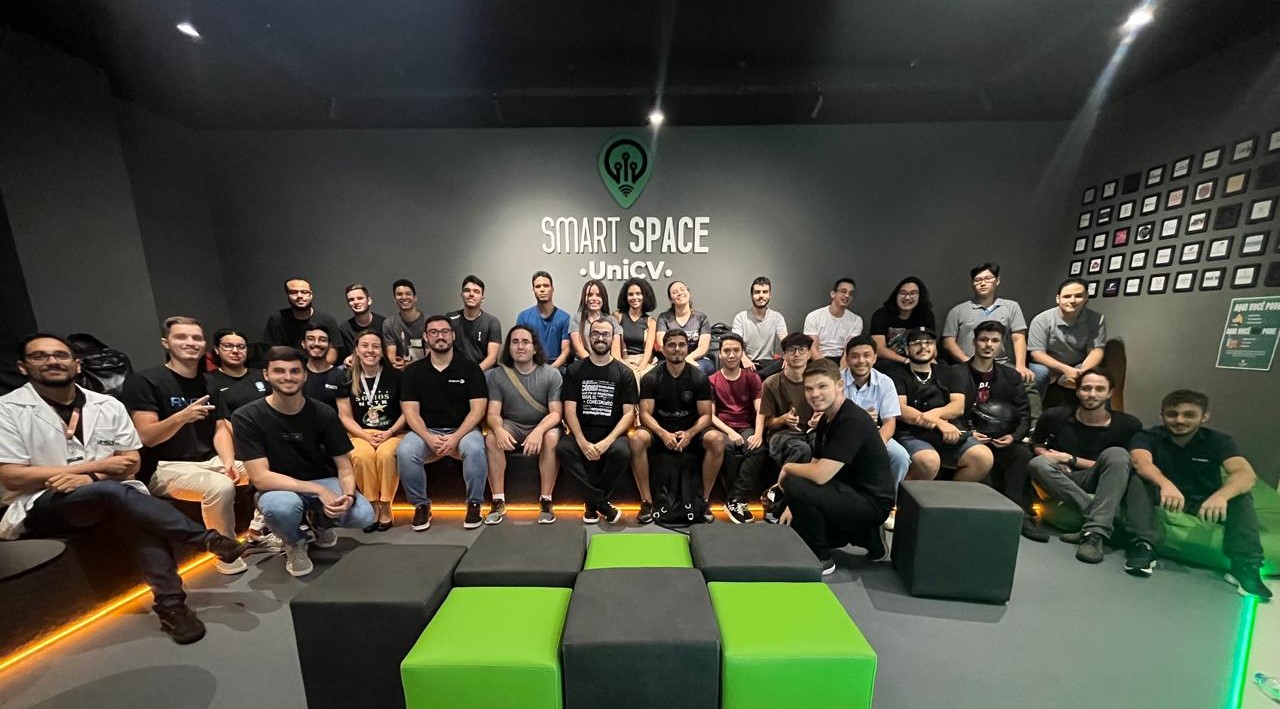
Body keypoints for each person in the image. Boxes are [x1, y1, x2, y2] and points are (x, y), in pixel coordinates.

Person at [0, 334, 248, 643]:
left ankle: (172, 606)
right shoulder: (8, 410)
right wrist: (95, 469)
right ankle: (205, 539)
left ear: (77, 365)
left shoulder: (107, 405)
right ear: (23, 367)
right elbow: (12, 477)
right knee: (114, 493)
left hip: (110, 493)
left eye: (61, 355)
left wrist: (91, 478)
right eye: (40, 356)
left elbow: (130, 463)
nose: (52, 361)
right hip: (44, 503)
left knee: (134, 510)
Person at [121, 316, 250, 575]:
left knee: (265, 469)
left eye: (196, 338)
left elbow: (219, 427)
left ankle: (259, 530)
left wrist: (228, 460)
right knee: (220, 486)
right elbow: (147, 436)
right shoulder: (145, 381)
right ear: (165, 342)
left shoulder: (209, 382)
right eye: (181, 337)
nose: (190, 343)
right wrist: (182, 417)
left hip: (210, 460)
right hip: (166, 468)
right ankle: (226, 553)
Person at [232, 346, 374, 578]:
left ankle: (320, 522)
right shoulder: (247, 416)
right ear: (266, 374)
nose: (288, 377)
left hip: (321, 479)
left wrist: (348, 496)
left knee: (362, 515)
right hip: (277, 488)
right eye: (279, 371)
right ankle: (294, 541)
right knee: (281, 509)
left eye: (295, 371)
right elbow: (261, 477)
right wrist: (317, 490)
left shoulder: (324, 413)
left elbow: (345, 466)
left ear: (305, 375)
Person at [1128, 390, 1272, 599]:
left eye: (1189, 415)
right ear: (1161, 416)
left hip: (1204, 503)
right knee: (1137, 479)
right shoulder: (1147, 436)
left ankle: (1246, 567)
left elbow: (1245, 474)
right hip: (1164, 498)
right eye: (1172, 414)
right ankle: (1144, 546)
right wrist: (1165, 484)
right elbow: (1140, 462)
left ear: (1204, 417)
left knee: (1241, 495)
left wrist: (1221, 496)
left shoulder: (1219, 441)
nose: (1179, 420)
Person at [775, 359, 895, 575]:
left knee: (794, 482)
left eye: (822, 386)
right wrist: (793, 503)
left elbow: (820, 475)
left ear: (839, 385)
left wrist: (788, 468)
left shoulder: (852, 420)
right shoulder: (827, 419)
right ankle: (867, 536)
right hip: (847, 491)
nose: (814, 394)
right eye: (809, 389)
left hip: (871, 502)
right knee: (790, 512)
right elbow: (815, 463)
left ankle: (822, 558)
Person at [1028, 369, 1146, 564]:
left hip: (1105, 479)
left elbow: (1126, 464)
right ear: (1077, 391)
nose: (1092, 394)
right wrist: (1050, 457)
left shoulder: (1128, 424)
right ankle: (1101, 521)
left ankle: (1094, 534)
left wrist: (1070, 458)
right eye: (1086, 388)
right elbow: (1037, 444)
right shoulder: (1055, 415)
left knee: (1117, 453)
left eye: (1099, 389)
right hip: (1065, 478)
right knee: (1037, 463)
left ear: (1109, 393)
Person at [953, 321, 1046, 541]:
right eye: (984, 340)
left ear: (1001, 345)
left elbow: (1023, 413)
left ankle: (1018, 514)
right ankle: (990, 516)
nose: (989, 345)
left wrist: (1013, 437)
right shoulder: (956, 373)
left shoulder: (1011, 376)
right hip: (969, 438)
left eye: (995, 341)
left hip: (1002, 438)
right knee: (981, 459)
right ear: (974, 342)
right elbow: (949, 410)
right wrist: (968, 434)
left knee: (1021, 454)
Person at [396, 315, 489, 531]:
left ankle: (474, 504)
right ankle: (421, 506)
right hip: (426, 431)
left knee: (475, 448)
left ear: (453, 335)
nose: (440, 336)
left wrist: (455, 437)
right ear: (426, 337)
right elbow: (410, 412)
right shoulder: (413, 371)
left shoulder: (471, 369)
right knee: (405, 451)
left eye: (445, 331)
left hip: (463, 431)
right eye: (434, 332)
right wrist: (428, 437)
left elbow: (478, 410)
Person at [632, 329, 726, 523]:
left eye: (681, 345)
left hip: (690, 432)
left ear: (687, 348)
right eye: (671, 345)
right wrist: (663, 433)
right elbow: (645, 414)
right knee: (637, 439)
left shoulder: (699, 377)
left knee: (716, 439)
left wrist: (690, 433)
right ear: (663, 349)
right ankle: (646, 502)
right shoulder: (651, 377)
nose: (677, 349)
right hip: (659, 432)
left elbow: (706, 416)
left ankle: (703, 501)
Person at [482, 326, 563, 525]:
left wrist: (538, 431)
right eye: (515, 342)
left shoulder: (552, 374)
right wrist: (498, 429)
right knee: (491, 438)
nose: (520, 346)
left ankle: (546, 500)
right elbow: (492, 413)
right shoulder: (496, 375)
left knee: (552, 437)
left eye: (525, 342)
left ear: (535, 348)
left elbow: (556, 413)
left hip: (543, 424)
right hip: (512, 424)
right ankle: (498, 500)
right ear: (508, 348)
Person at [556, 319, 634, 525]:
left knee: (622, 451)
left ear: (612, 338)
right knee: (564, 448)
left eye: (605, 334)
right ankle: (601, 503)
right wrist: (582, 441)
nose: (600, 338)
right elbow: (569, 410)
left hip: (612, 433)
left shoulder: (624, 373)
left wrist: (608, 441)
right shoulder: (575, 370)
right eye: (596, 334)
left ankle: (592, 503)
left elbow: (628, 414)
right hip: (582, 431)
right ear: (588, 338)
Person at [890, 328, 993, 482]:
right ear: (906, 349)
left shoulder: (948, 372)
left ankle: (951, 495)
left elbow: (957, 406)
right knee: (929, 461)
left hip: (946, 431)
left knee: (982, 457)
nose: (923, 347)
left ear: (935, 348)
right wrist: (939, 423)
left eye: (928, 343)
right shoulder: (896, 373)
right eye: (916, 343)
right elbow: (901, 409)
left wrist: (934, 416)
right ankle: (903, 495)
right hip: (911, 432)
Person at [335, 330, 404, 533]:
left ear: (382, 351)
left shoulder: (396, 376)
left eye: (375, 346)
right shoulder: (346, 377)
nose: (370, 350)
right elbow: (344, 416)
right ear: (356, 350)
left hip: (393, 432)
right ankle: (372, 506)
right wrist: (365, 435)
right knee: (361, 456)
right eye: (365, 346)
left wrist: (390, 432)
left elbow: (407, 412)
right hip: (359, 433)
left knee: (385, 455)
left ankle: (386, 505)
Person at [840, 336, 910, 529]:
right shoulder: (836, 381)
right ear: (847, 358)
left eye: (866, 355)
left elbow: (889, 422)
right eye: (855, 356)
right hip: (842, 435)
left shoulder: (886, 382)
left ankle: (887, 506)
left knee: (900, 457)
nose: (861, 361)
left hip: (874, 436)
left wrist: (875, 446)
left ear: (875, 358)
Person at [760, 333, 819, 515]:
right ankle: (780, 502)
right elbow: (769, 422)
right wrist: (784, 419)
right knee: (802, 450)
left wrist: (820, 418)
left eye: (802, 350)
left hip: (812, 431)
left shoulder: (818, 381)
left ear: (809, 354)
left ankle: (814, 502)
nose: (797, 354)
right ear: (784, 355)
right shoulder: (772, 383)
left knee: (825, 446)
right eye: (791, 350)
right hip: (782, 434)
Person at [708, 334, 765, 524]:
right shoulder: (712, 380)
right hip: (723, 427)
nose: (731, 355)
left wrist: (758, 434)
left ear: (742, 353)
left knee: (757, 447)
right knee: (727, 447)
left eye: (736, 350)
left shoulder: (752, 378)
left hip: (746, 426)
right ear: (720, 354)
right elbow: (711, 415)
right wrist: (729, 432)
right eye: (726, 351)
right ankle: (735, 501)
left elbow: (760, 410)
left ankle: (735, 499)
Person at [940, 263, 1032, 377]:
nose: (982, 283)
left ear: (997, 281)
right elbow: (948, 342)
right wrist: (968, 362)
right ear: (972, 283)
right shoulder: (958, 311)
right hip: (966, 363)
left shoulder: (1012, 307)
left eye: (988, 278)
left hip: (1001, 364)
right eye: (977, 280)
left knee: (1025, 380)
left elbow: (1018, 338)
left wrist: (1021, 365)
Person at [1028, 278, 1107, 408]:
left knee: (1097, 377)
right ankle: (1033, 415)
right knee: (1039, 373)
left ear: (1086, 297)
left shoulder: (1097, 319)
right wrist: (1065, 369)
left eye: (1078, 296)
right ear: (1058, 299)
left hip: (1078, 365)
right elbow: (1037, 354)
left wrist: (1081, 372)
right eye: (1067, 296)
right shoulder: (1041, 319)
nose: (1072, 300)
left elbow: (1096, 351)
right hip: (1046, 364)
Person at [262, 278, 339, 364]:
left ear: (311, 295)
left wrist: (315, 370)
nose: (299, 296)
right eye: (294, 292)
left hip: (318, 368)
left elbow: (332, 354)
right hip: (288, 367)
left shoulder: (327, 321)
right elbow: (272, 352)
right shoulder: (277, 319)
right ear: (287, 295)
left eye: (304, 292)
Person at [868, 277, 936, 370]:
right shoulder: (881, 315)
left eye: (913, 293)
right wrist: (906, 361)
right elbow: (879, 350)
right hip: (889, 361)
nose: (907, 297)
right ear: (896, 295)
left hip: (919, 359)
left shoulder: (926, 315)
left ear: (920, 296)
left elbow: (932, 346)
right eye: (903, 293)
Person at [654, 280, 715, 376]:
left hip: (696, 359)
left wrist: (688, 359)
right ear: (671, 299)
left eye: (682, 289)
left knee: (697, 370)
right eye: (675, 292)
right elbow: (662, 344)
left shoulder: (701, 318)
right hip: (670, 359)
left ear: (688, 293)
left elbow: (703, 346)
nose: (679, 293)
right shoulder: (664, 318)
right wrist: (678, 361)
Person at [731, 276, 787, 378]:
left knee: (784, 363)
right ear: (751, 295)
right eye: (757, 292)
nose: (761, 296)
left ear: (770, 295)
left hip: (769, 364)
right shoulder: (741, 317)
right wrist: (743, 358)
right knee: (736, 364)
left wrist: (788, 356)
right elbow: (735, 343)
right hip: (748, 363)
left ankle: (757, 377)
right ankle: (758, 377)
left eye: (765, 292)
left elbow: (786, 341)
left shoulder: (777, 317)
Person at [515, 271, 572, 371]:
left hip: (556, 369)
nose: (542, 290)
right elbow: (521, 348)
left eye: (546, 286)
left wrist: (549, 371)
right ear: (533, 290)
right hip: (530, 368)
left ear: (552, 289)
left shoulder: (565, 318)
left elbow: (565, 351)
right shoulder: (523, 317)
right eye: (538, 286)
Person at [447, 275, 502, 370]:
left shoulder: (492, 322)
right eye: (467, 290)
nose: (471, 294)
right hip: (456, 371)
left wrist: (474, 374)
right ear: (461, 295)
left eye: (476, 291)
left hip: (483, 372)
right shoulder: (450, 319)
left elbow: (492, 358)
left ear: (482, 298)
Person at [803, 277, 863, 363]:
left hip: (843, 359)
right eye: (843, 291)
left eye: (850, 293)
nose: (847, 295)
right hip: (819, 359)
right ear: (833, 294)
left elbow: (849, 350)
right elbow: (813, 349)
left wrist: (842, 369)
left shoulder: (856, 320)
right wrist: (826, 367)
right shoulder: (814, 316)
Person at [614, 277, 657, 381]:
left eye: (638, 293)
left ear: (645, 296)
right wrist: (626, 365)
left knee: (645, 378)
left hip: (643, 363)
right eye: (630, 294)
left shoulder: (651, 322)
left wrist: (640, 369)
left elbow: (648, 351)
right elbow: (615, 352)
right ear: (625, 297)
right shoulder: (617, 316)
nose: (634, 297)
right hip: (622, 362)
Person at [569, 279, 623, 362]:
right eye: (589, 295)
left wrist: (605, 365)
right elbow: (579, 350)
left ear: (603, 298)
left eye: (598, 295)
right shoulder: (576, 318)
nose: (594, 298)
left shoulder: (612, 320)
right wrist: (595, 365)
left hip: (607, 365)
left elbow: (616, 354)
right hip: (583, 364)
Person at [383, 278, 427, 369]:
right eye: (399, 294)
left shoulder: (428, 322)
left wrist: (408, 365)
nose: (404, 297)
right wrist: (396, 363)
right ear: (394, 299)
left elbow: (430, 356)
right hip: (401, 372)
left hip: (424, 370)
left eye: (408, 294)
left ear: (415, 298)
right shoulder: (389, 324)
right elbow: (391, 357)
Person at [300, 324, 347, 410]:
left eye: (322, 340)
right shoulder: (297, 375)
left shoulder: (340, 376)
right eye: (311, 339)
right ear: (303, 344)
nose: (316, 343)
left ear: (329, 345)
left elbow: (344, 414)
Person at [336, 283, 386, 362]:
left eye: (360, 298)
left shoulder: (385, 324)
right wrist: (346, 360)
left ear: (369, 301)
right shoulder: (344, 329)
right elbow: (344, 357)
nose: (356, 302)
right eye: (351, 300)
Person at [205, 328, 251, 409]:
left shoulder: (262, 375)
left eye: (241, 347)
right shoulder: (208, 380)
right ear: (216, 349)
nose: (235, 351)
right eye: (228, 346)